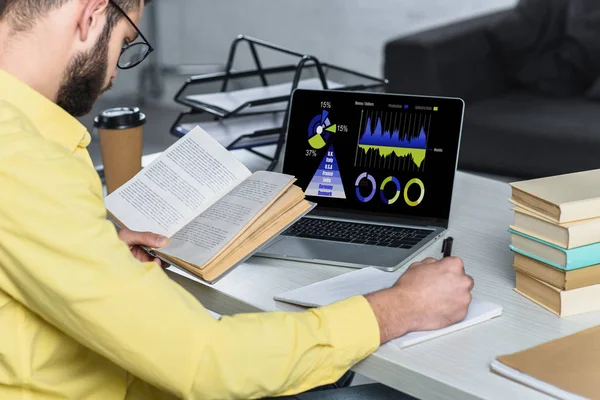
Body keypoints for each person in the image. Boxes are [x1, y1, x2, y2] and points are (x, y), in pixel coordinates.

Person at [0, 0, 475, 399]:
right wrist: (397, 308)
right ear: (90, 16)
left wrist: (95, 251)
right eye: (124, 44)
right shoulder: (21, 158)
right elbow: (206, 362)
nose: (112, 75)